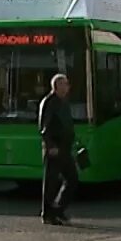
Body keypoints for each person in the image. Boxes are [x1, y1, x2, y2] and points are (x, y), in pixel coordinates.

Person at [39, 73, 77, 225]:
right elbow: (44, 127)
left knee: (72, 179)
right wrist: (50, 146)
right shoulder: (49, 102)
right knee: (51, 182)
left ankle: (58, 209)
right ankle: (47, 214)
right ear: (56, 86)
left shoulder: (64, 102)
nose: (67, 87)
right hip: (54, 148)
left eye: (67, 84)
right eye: (64, 84)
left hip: (65, 147)